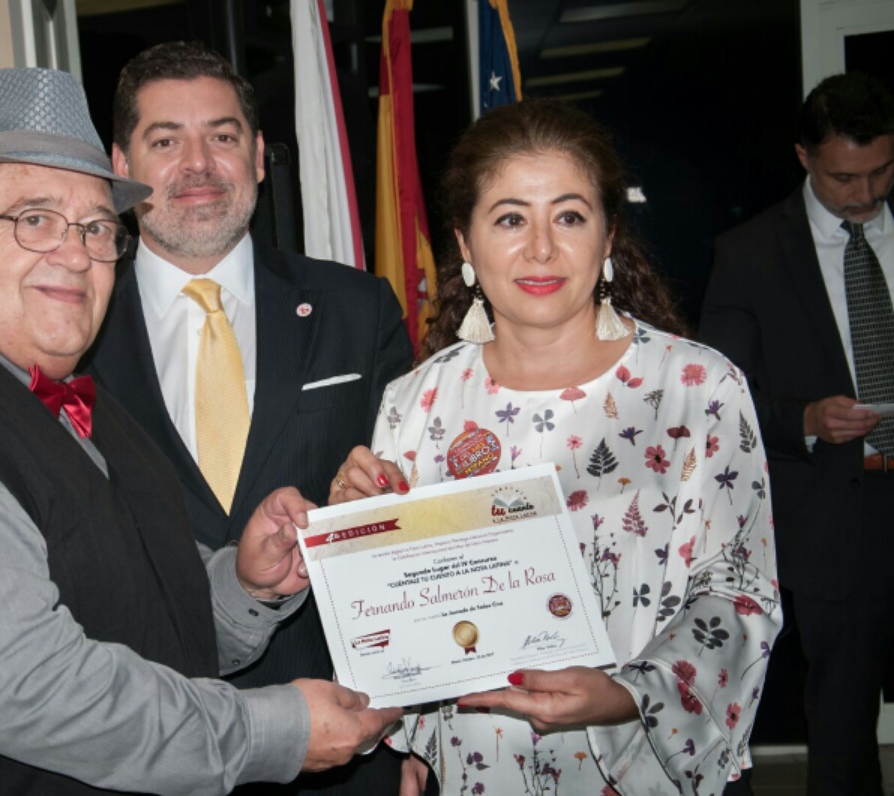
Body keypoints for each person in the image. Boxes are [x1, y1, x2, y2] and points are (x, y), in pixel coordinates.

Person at [0, 66, 401, 796]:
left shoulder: (71, 402)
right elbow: (40, 691)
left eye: (97, 228)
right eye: (34, 219)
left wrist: (243, 583)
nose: (75, 255)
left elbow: (138, 608)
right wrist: (275, 730)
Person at [331, 99, 780, 795]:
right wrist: (355, 532)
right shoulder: (417, 402)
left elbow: (739, 593)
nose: (541, 248)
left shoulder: (697, 388)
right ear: (466, 245)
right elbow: (401, 612)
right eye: (511, 219)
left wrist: (629, 693)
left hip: (647, 770)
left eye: (569, 217)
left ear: (608, 238)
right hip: (480, 771)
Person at [85, 42, 413, 795]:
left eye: (223, 136)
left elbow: (412, 525)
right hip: (150, 746)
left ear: (260, 157)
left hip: (350, 744)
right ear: (120, 166)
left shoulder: (357, 309)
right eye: (166, 141)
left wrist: (417, 740)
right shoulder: (72, 334)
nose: (198, 164)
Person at [699, 72, 894, 794]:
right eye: (845, 177)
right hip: (835, 511)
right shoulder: (750, 253)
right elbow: (723, 396)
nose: (865, 194)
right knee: (844, 717)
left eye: (882, 171)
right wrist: (805, 420)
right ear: (804, 157)